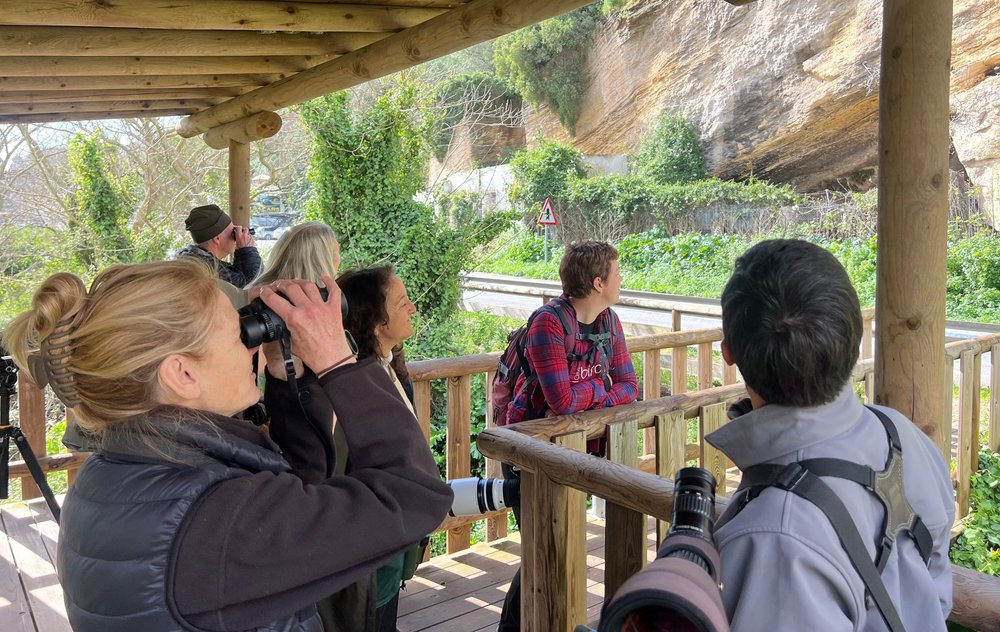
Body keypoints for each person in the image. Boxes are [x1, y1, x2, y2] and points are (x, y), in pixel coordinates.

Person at [2, 259, 452, 632]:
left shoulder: (118, 473)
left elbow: (299, 502)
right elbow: (412, 498)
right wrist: (339, 360)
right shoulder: (214, 521)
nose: (250, 344)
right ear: (182, 374)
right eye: (237, 333)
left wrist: (280, 371)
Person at [704, 239, 954, 631]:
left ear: (728, 351)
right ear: (853, 339)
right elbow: (935, 580)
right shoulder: (899, 433)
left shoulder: (777, 533)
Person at [499, 240, 638, 632]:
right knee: (542, 553)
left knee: (552, 551)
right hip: (531, 454)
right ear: (598, 282)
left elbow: (631, 384)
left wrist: (590, 396)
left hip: (579, 454)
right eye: (616, 272)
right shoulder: (549, 322)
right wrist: (602, 392)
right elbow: (561, 401)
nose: (621, 278)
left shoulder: (609, 321)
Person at [177, 203, 262, 287]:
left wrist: (242, 251)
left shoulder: (193, 259)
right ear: (217, 239)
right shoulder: (206, 270)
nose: (237, 237)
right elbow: (252, 287)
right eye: (233, 232)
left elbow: (239, 277)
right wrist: (247, 250)